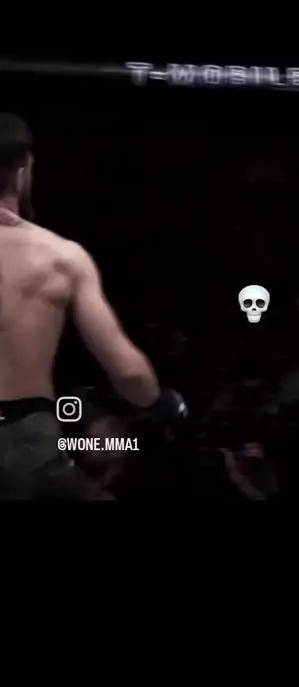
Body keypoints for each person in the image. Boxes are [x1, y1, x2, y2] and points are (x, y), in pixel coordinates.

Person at [0, 112, 162, 499]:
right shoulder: (61, 257)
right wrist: (160, 403)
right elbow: (130, 374)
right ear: (22, 171)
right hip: (28, 448)